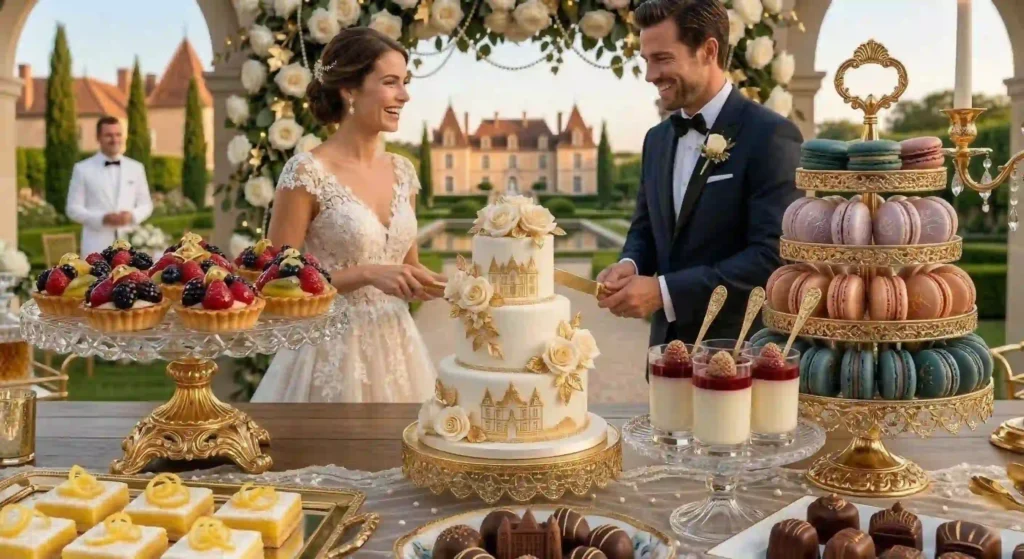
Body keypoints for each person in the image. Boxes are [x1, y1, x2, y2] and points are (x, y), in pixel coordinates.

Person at [251, 28, 444, 403]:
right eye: (390, 82)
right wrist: (366, 274)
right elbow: (274, 280)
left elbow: (407, 268)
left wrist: (457, 288)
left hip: (398, 348)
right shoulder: (306, 172)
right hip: (327, 352)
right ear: (349, 90)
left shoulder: (404, 171)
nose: (404, 95)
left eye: (404, 83)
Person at [596, 0, 802, 348]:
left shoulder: (771, 135)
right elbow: (645, 227)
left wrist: (664, 292)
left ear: (708, 50)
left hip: (740, 358)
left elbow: (772, 257)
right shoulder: (657, 140)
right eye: (646, 61)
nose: (650, 75)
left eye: (662, 59)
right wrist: (631, 263)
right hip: (665, 355)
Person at [65, 116, 154, 255]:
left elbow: (146, 205)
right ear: (98, 137)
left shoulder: (136, 168)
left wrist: (132, 216)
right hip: (96, 247)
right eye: (109, 135)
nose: (114, 139)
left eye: (118, 134)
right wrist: (102, 219)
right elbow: (73, 209)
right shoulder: (82, 169)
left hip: (130, 245)